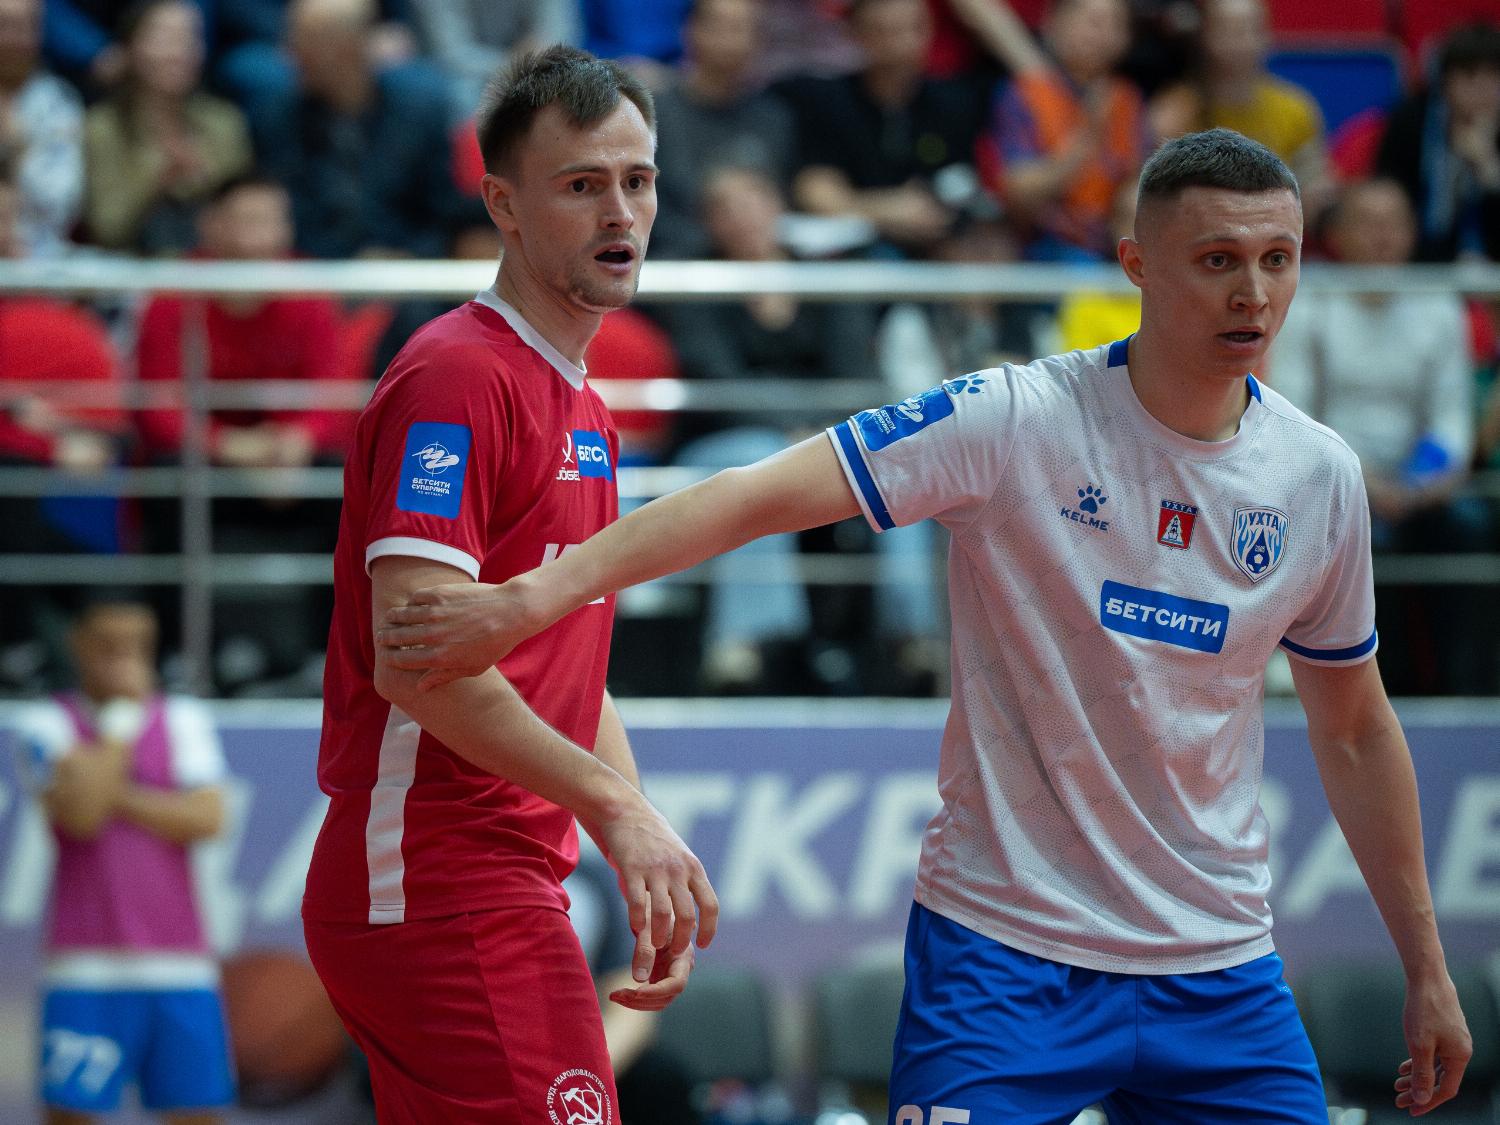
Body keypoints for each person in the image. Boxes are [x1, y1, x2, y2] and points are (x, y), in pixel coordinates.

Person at [378, 129, 1474, 1122]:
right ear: (1138, 265)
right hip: (1005, 959)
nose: (1254, 293)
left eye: (1278, 259)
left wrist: (1426, 967)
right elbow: (753, 496)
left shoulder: (1318, 477)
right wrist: (533, 597)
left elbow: (1354, 730)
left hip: (1221, 968)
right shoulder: (1015, 418)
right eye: (1218, 260)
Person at [300, 45, 719, 1125]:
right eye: (581, 184)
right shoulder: (456, 375)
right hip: (435, 874)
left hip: (498, 876)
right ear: (504, 206)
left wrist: (638, 834)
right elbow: (420, 663)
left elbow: (569, 664)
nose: (620, 212)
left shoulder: (585, 405)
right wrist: (613, 809)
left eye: (638, 180)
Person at [12, 598, 234, 1125]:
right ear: (78, 645)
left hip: (180, 961)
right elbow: (81, 818)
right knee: (70, 1115)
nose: (123, 657)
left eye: (136, 645)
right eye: (108, 644)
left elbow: (207, 819)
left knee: (196, 1114)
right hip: (83, 964)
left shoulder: (183, 719)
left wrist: (105, 784)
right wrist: (118, 727)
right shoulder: (44, 723)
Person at [82, 0, 252, 254]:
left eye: (190, 39)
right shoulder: (102, 127)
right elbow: (107, 229)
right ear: (129, 48)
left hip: (213, 268)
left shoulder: (224, 122)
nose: (179, 52)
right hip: (129, 267)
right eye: (164, 38)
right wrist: (157, 183)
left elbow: (246, 214)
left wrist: (207, 181)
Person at [1376, 21, 1500, 263]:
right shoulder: (1410, 122)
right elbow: (1392, 197)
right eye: (1470, 75)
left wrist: (1488, 168)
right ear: (1444, 82)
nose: (1483, 89)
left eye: (1495, 76)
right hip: (1418, 263)